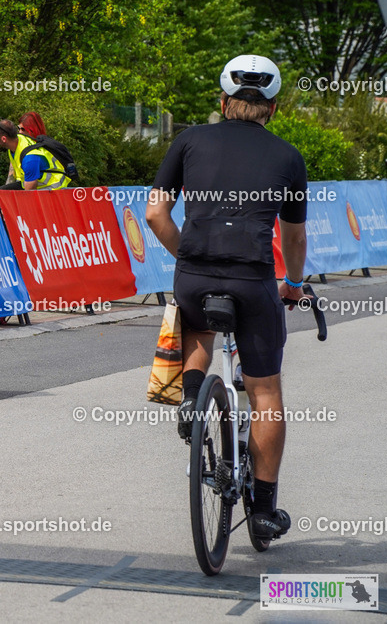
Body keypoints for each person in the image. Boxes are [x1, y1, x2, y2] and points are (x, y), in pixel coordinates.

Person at [145, 54, 309, 543]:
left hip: (194, 275)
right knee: (265, 392)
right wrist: (293, 282)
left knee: (197, 327)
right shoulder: (288, 156)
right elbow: (294, 236)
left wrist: (188, 256)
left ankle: (192, 400)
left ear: (223, 101)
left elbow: (154, 215)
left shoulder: (189, 140)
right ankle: (263, 511)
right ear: (273, 108)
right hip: (253, 280)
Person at [0, 120, 71, 191]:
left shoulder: (30, 159)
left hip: (51, 188)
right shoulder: (16, 141)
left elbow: (29, 194)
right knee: (1, 193)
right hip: (32, 182)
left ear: (4, 139)